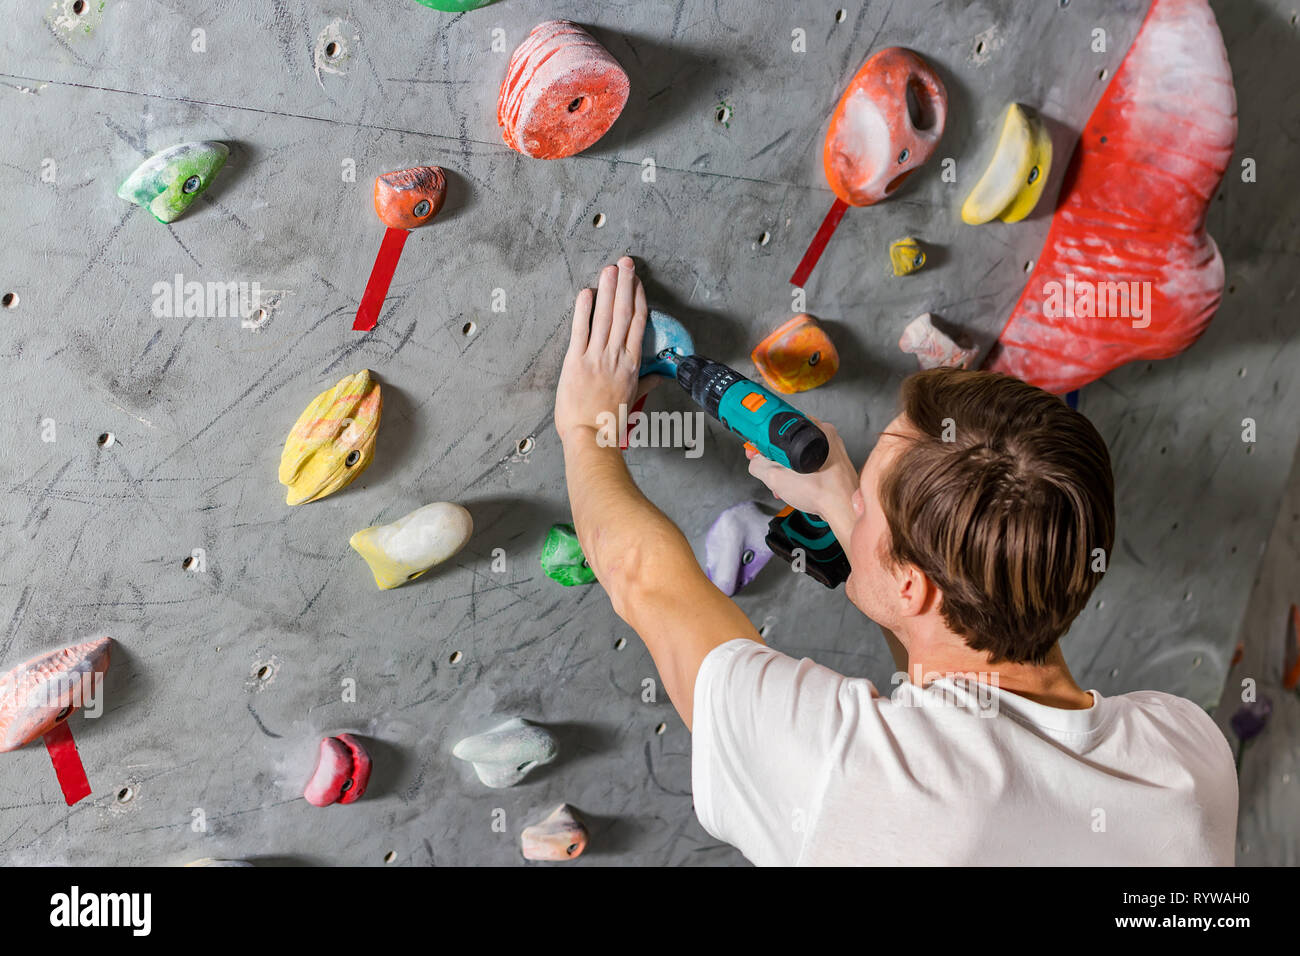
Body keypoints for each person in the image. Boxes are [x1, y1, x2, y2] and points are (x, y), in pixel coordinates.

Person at [554, 256, 1238, 866]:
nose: (853, 499)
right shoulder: (1185, 757)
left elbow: (645, 580)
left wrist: (586, 430)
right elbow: (951, 670)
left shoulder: (853, 779)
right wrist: (857, 519)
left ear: (914, 586)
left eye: (865, 501)